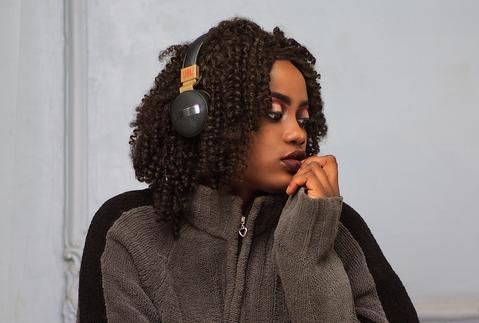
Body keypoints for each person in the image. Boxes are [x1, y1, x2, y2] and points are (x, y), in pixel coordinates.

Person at [78, 17, 419, 322]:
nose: (297, 133)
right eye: (273, 113)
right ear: (199, 118)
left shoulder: (339, 228)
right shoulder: (128, 232)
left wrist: (307, 255)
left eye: (303, 118)